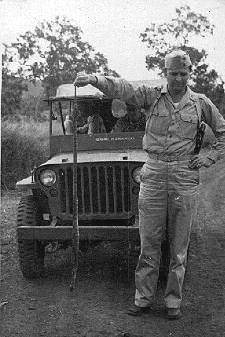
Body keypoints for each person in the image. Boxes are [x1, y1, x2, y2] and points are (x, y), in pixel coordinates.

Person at [74, 50, 225, 319]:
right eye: (173, 73)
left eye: (183, 73)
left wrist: (208, 157)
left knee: (179, 246)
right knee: (149, 243)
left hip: (184, 175)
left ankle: (173, 302)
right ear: (165, 73)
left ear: (190, 74)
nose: (178, 78)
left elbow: (223, 132)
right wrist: (94, 79)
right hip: (153, 171)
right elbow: (122, 87)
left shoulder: (201, 103)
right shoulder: (151, 96)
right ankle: (142, 298)